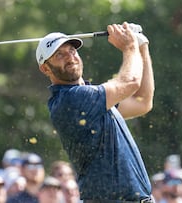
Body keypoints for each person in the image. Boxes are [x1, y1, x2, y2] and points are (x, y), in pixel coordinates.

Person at [35, 21, 154, 203]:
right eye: (59, 55)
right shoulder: (71, 99)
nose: (70, 57)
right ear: (45, 68)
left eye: (72, 51)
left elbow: (142, 101)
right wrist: (129, 47)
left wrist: (141, 45)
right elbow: (130, 82)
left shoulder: (94, 100)